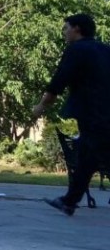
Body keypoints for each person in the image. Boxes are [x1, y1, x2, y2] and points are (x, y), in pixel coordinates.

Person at [33, 14, 110, 215]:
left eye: (66, 28)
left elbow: (60, 80)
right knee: (89, 157)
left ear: (77, 29)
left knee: (93, 155)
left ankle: (69, 201)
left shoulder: (77, 50)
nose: (64, 32)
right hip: (103, 113)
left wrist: (41, 105)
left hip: (92, 113)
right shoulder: (105, 50)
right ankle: (69, 201)